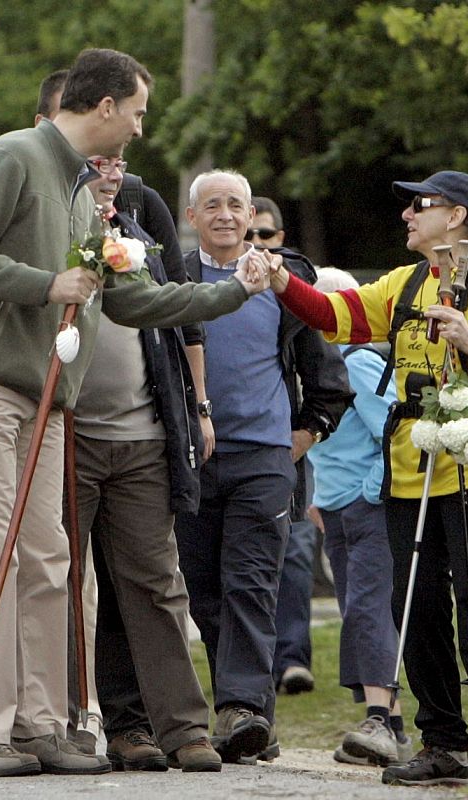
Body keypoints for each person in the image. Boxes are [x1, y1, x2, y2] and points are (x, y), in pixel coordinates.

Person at [0, 49, 269, 779]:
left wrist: (233, 290)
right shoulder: (12, 157)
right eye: (136, 113)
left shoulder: (85, 194)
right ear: (105, 106)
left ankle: (42, 725)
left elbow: (133, 299)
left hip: (47, 399)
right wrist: (45, 284)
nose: (139, 129)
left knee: (50, 558)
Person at [269, 170, 468, 785]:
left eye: (420, 204)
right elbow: (331, 315)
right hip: (409, 468)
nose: (407, 215)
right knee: (415, 608)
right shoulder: (403, 283)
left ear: (457, 215)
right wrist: (281, 280)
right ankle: (444, 743)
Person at [35, 68, 215, 770]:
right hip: (70, 433)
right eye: (99, 161)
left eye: (118, 164)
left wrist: (196, 409)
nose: (110, 172)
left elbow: (172, 312)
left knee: (154, 581)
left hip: (142, 434)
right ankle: (76, 724)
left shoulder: (141, 227)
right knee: (62, 582)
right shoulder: (46, 225)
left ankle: (181, 729)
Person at [176, 170, 352, 764]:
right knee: (205, 593)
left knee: (250, 583)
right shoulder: (175, 279)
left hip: (265, 460)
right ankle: (249, 718)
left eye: (236, 204)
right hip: (194, 460)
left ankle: (242, 708)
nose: (225, 214)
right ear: (192, 218)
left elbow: (328, 376)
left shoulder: (284, 280)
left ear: (252, 216)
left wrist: (299, 438)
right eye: (212, 205)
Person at [302, 267, 413, 767]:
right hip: (336, 508)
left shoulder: (358, 361)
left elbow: (393, 432)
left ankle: (379, 721)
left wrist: (369, 494)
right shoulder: (319, 365)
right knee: (357, 610)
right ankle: (393, 728)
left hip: (368, 507)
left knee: (368, 607)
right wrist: (321, 498)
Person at [249, 196, 317, 696]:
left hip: (286, 444)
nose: (256, 243)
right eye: (248, 235)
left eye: (266, 235)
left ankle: (292, 659)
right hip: (230, 445)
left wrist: (309, 431)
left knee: (294, 548)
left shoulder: (296, 288)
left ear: (281, 239)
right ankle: (252, 665)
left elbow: (322, 368)